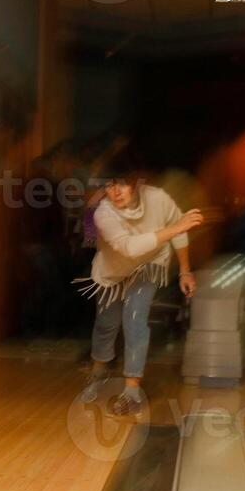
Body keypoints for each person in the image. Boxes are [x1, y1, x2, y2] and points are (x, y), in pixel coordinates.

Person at [77, 169, 205, 415]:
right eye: (110, 185)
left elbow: (179, 233)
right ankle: (98, 373)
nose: (116, 191)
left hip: (150, 264)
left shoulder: (157, 198)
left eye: (122, 184)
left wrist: (185, 271)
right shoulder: (103, 213)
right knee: (106, 324)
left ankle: (132, 392)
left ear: (136, 185)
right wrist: (175, 228)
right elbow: (129, 247)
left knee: (135, 320)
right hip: (112, 270)